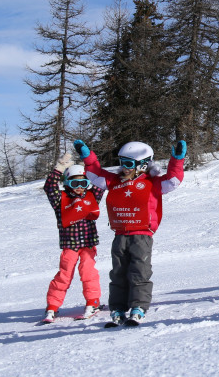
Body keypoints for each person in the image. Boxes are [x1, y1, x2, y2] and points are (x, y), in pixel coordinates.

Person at [73, 138, 185, 325]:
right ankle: (117, 308)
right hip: (120, 234)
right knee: (118, 273)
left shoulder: (153, 183)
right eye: (121, 163)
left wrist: (177, 160)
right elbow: (94, 174)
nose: (123, 168)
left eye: (128, 164)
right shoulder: (115, 181)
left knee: (139, 271)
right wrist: (87, 157)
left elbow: (173, 180)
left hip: (142, 234)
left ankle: (138, 306)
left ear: (142, 165)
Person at [41, 155, 104, 322]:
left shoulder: (92, 197)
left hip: (88, 245)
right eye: (75, 183)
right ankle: (52, 306)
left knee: (88, 272)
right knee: (64, 275)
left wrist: (91, 168)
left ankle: (93, 301)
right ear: (67, 183)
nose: (79, 188)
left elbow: (101, 183)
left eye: (83, 183)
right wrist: (59, 168)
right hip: (70, 245)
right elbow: (49, 187)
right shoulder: (60, 200)